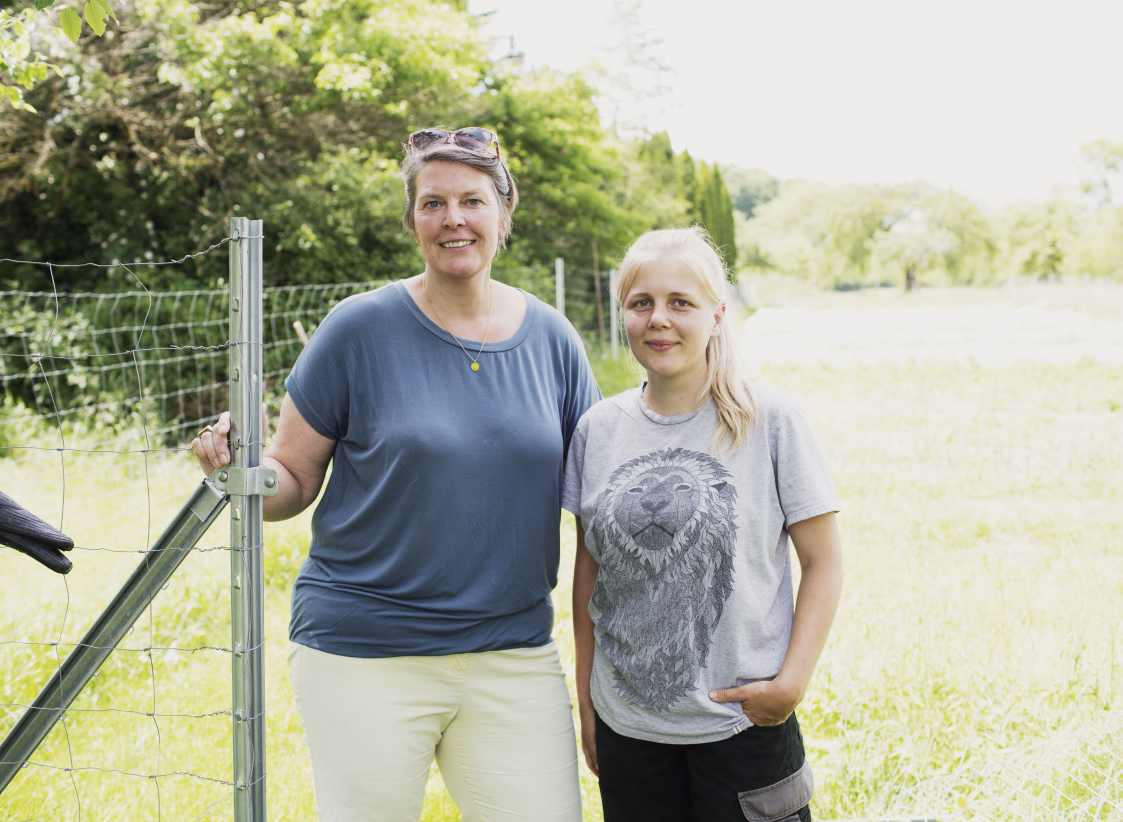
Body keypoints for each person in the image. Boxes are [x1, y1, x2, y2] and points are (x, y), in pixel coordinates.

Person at [192, 126, 600, 822]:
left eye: (472, 200)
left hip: (512, 651)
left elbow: (601, 498)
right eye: (433, 203)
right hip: (366, 651)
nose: (454, 220)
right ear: (412, 218)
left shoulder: (554, 340)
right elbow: (290, 475)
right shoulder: (358, 329)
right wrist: (241, 469)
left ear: (504, 211)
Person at [563, 226, 843, 822]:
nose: (659, 319)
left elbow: (823, 560)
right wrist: (588, 704)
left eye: (680, 303)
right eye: (642, 303)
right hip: (630, 732)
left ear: (717, 316)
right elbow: (589, 580)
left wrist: (790, 684)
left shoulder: (769, 420)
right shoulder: (598, 430)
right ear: (624, 315)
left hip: (743, 727)